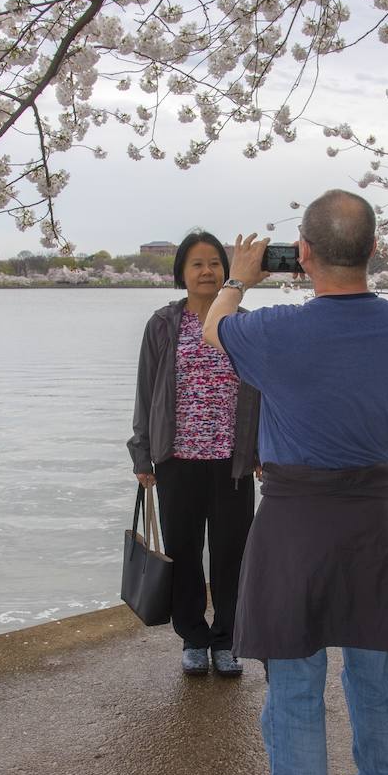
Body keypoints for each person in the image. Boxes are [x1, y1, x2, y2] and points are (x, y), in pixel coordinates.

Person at [202, 190, 388, 775]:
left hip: (296, 519)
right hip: (369, 520)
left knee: (295, 676)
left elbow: (214, 330)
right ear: (375, 250)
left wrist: (238, 277)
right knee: (371, 661)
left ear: (301, 254)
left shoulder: (277, 334)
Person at [128, 230, 260, 676]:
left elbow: (265, 393)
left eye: (215, 264)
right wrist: (142, 454)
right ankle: (192, 637)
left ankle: (226, 638)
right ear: (182, 273)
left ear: (227, 272)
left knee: (231, 553)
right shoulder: (163, 325)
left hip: (232, 463)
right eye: (197, 265)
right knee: (183, 552)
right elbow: (146, 392)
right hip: (176, 460)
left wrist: (264, 450)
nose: (207, 272)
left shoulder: (242, 323)